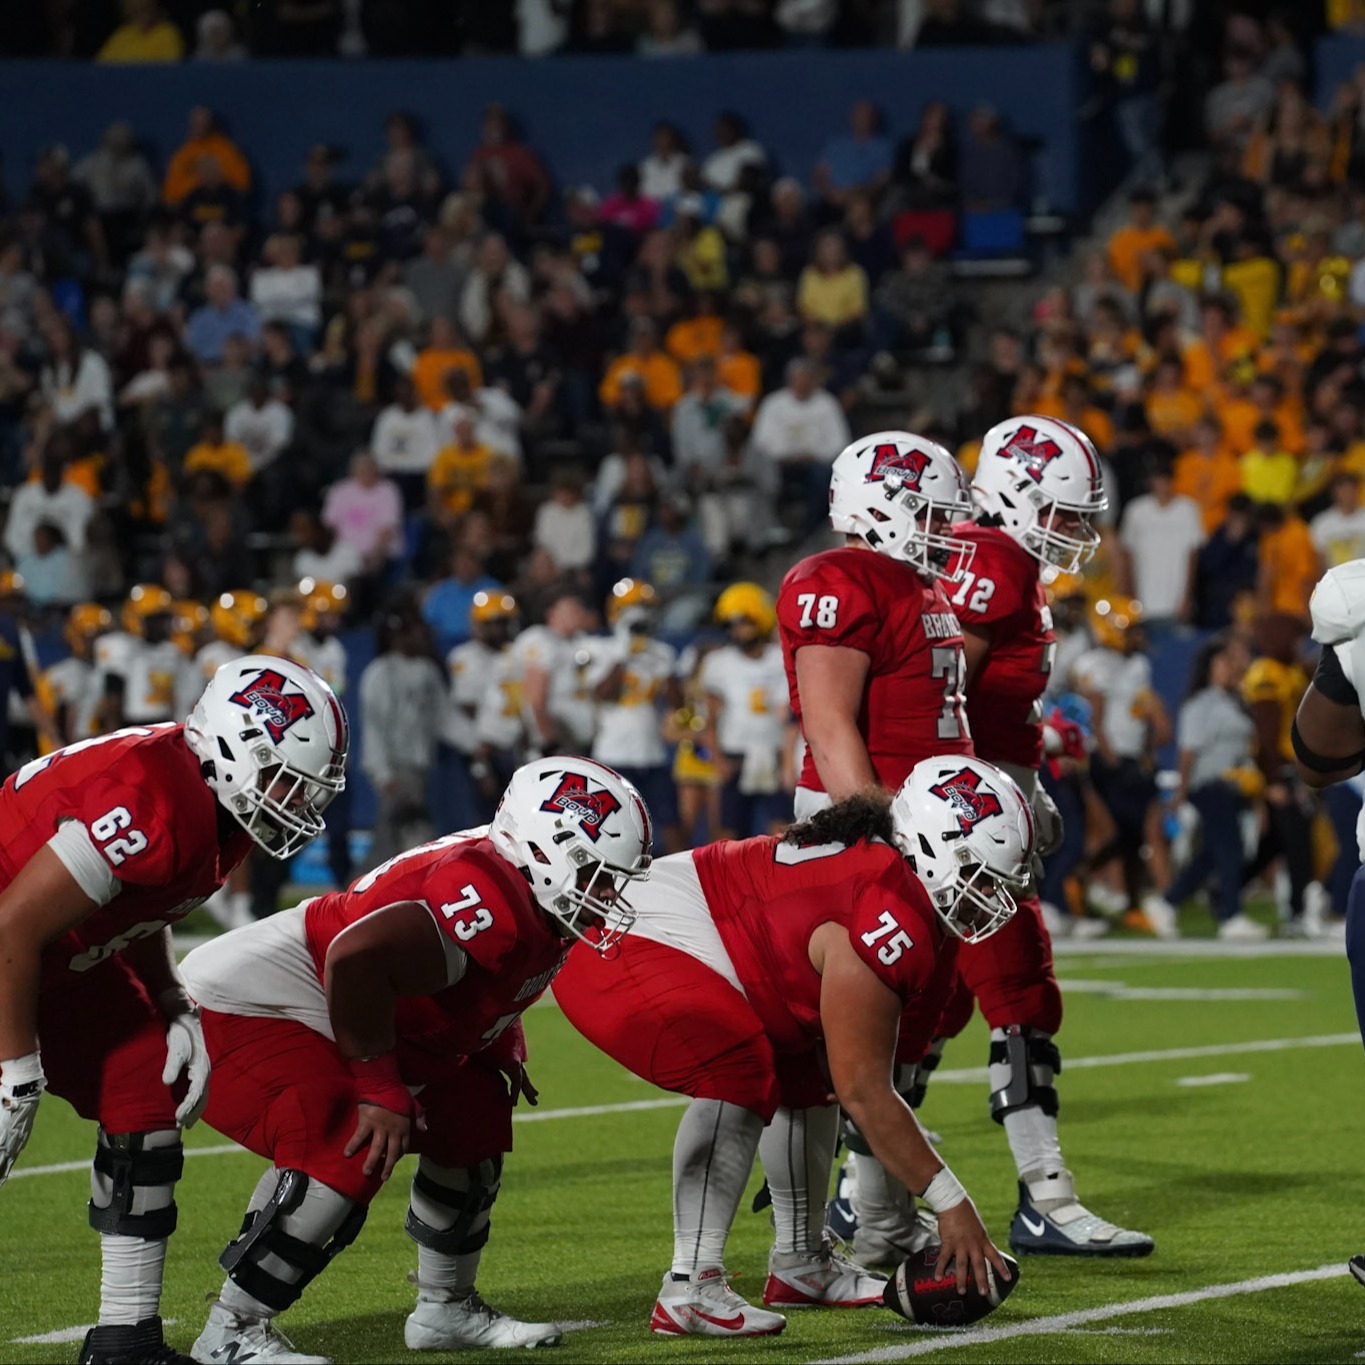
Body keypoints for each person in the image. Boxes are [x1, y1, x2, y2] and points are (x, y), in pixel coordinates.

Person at [179, 758, 652, 1361]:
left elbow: (464, 983)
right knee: (354, 1132)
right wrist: (378, 1086)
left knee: (474, 1109)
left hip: (352, 1005)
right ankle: (231, 1330)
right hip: (253, 1002)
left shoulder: (529, 887)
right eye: (596, 875)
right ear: (544, 849)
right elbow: (355, 962)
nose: (608, 896)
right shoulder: (485, 897)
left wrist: (496, 1039)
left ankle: (445, 1309)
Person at [555, 757, 1032, 1336]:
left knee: (810, 1075)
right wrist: (953, 1205)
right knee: (740, 1070)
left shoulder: (891, 877)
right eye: (981, 876)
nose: (989, 896)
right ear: (933, 848)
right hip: (625, 942)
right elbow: (865, 1091)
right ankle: (691, 1286)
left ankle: (802, 1261)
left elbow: (842, 1078)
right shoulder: (887, 905)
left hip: (678, 938)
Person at [0, 656, 345, 1365]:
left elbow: (142, 897)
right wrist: (16, 1070)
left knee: (144, 1086)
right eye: (286, 779)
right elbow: (11, 929)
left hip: (55, 952)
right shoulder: (148, 797)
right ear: (234, 749)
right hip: (14, 943)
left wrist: (169, 996)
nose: (298, 802)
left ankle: (126, 1340)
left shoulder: (215, 803)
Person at [869, 415, 1152, 1262]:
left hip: (973, 805)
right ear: (1017, 493)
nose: (1074, 531)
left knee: (940, 1005)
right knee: (1019, 991)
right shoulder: (993, 560)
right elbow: (938, 695)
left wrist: (1033, 760)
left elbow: (982, 701)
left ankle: (860, 1196)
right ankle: (1045, 1195)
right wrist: (1003, 796)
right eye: (1063, 512)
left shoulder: (994, 557)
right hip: (967, 824)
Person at [1145, 632, 1260, 940]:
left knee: (1212, 852)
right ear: (1210, 666)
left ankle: (1166, 903)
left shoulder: (1234, 700)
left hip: (1232, 787)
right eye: (1224, 661)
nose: (1231, 666)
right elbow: (1188, 751)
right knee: (1230, 847)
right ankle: (1231, 915)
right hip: (1208, 784)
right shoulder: (1201, 703)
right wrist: (1181, 792)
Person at [586, 579, 681, 852]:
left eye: (646, 608)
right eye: (636, 608)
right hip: (612, 755)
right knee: (608, 829)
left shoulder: (661, 652)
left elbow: (678, 704)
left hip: (652, 754)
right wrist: (622, 654)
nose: (642, 616)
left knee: (671, 824)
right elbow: (602, 694)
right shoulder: (600, 648)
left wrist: (666, 671)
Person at [697, 582, 791, 839]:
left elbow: (790, 716)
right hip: (735, 755)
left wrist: (789, 761)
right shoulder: (718, 663)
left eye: (744, 623)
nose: (738, 631)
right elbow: (709, 717)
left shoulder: (781, 657)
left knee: (781, 833)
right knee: (728, 834)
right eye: (733, 624)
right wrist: (717, 758)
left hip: (774, 754)